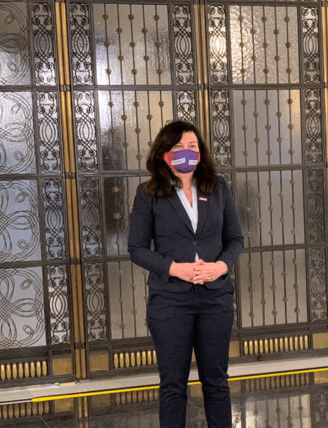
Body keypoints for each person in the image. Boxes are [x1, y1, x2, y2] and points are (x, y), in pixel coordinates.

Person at [128, 120, 244, 428]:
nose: (186, 152)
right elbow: (136, 248)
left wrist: (221, 266)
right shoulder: (148, 193)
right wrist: (173, 268)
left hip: (215, 299)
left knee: (216, 382)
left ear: (201, 152)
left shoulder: (218, 188)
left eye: (192, 146)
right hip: (170, 302)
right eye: (178, 147)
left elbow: (235, 240)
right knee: (173, 385)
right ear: (163, 153)